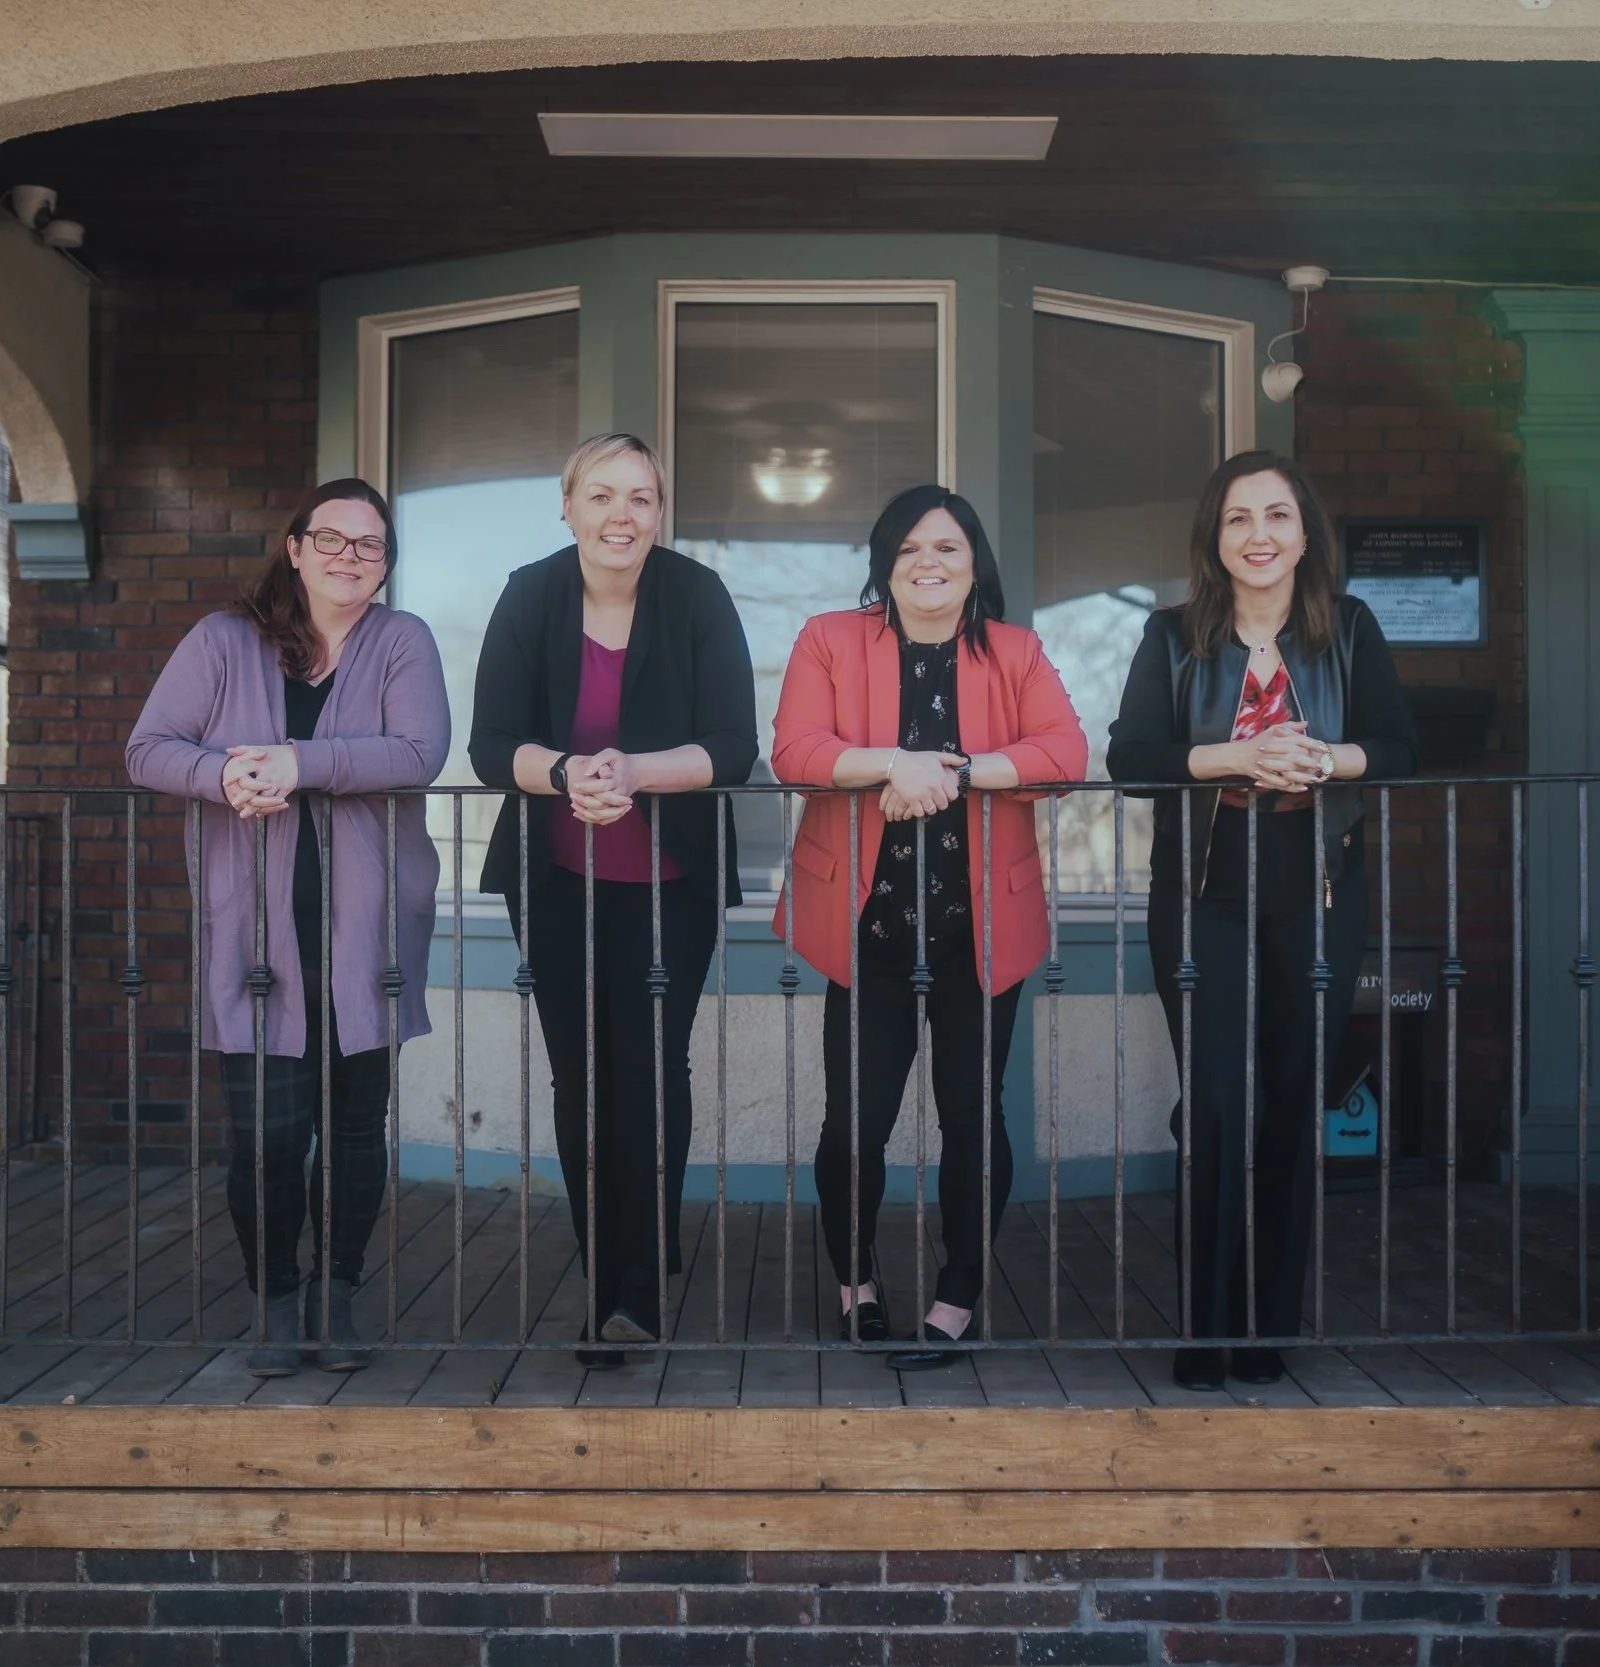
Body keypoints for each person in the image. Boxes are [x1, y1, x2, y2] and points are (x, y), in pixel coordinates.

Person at [1106, 450, 1416, 1393]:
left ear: (1305, 532)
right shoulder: (1170, 635)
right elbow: (1129, 755)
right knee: (1216, 1102)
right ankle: (1206, 1326)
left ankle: (1267, 1323)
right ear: (1216, 537)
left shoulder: (1350, 629)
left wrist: (1321, 759)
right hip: (1204, 890)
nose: (1260, 536)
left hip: (1317, 885)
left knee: (1289, 1102)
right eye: (1239, 519)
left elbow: (1398, 746)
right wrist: (1233, 755)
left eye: (1277, 516)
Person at [127, 478, 451, 1375]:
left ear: (386, 564)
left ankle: (335, 1295)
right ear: (296, 546)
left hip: (370, 931)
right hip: (255, 935)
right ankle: (274, 1296)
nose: (353, 557)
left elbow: (421, 751)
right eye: (335, 539)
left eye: (372, 545)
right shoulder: (225, 641)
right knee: (265, 1135)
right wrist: (220, 778)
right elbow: (149, 746)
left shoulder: (402, 641)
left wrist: (295, 762)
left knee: (353, 1130)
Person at [772, 485, 1086, 1367]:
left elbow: (1065, 752)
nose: (929, 563)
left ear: (974, 561)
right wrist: (890, 766)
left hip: (978, 933)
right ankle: (856, 1277)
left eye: (947, 547)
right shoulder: (831, 639)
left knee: (972, 1118)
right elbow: (794, 749)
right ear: (884, 565)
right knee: (853, 1124)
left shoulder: (1014, 651)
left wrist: (964, 769)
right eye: (908, 549)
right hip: (864, 927)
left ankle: (959, 1290)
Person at [468, 432, 757, 1366]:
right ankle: (613, 1263)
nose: (621, 515)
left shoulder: (697, 596)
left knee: (650, 1074)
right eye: (601, 495)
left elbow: (731, 744)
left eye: (640, 497)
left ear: (659, 512)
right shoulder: (529, 593)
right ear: (568, 506)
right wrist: (563, 773)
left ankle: (633, 1288)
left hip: (669, 887)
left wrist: (632, 770)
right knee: (580, 1078)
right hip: (556, 881)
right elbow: (490, 744)